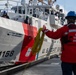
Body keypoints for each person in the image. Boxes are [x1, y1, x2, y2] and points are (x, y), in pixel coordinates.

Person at [42, 11, 76, 75]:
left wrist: (45, 30)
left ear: (67, 19)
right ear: (75, 20)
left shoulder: (64, 29)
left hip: (67, 59)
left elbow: (54, 35)